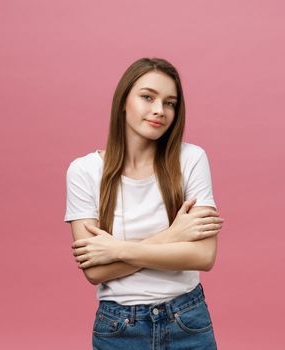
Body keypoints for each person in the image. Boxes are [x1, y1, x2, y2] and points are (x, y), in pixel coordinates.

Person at [64, 57, 224, 349]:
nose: (159, 110)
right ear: (123, 101)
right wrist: (173, 237)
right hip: (119, 327)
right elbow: (95, 271)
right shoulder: (84, 171)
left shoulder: (191, 159)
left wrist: (118, 250)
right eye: (147, 97)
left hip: (187, 319)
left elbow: (203, 256)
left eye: (170, 103)